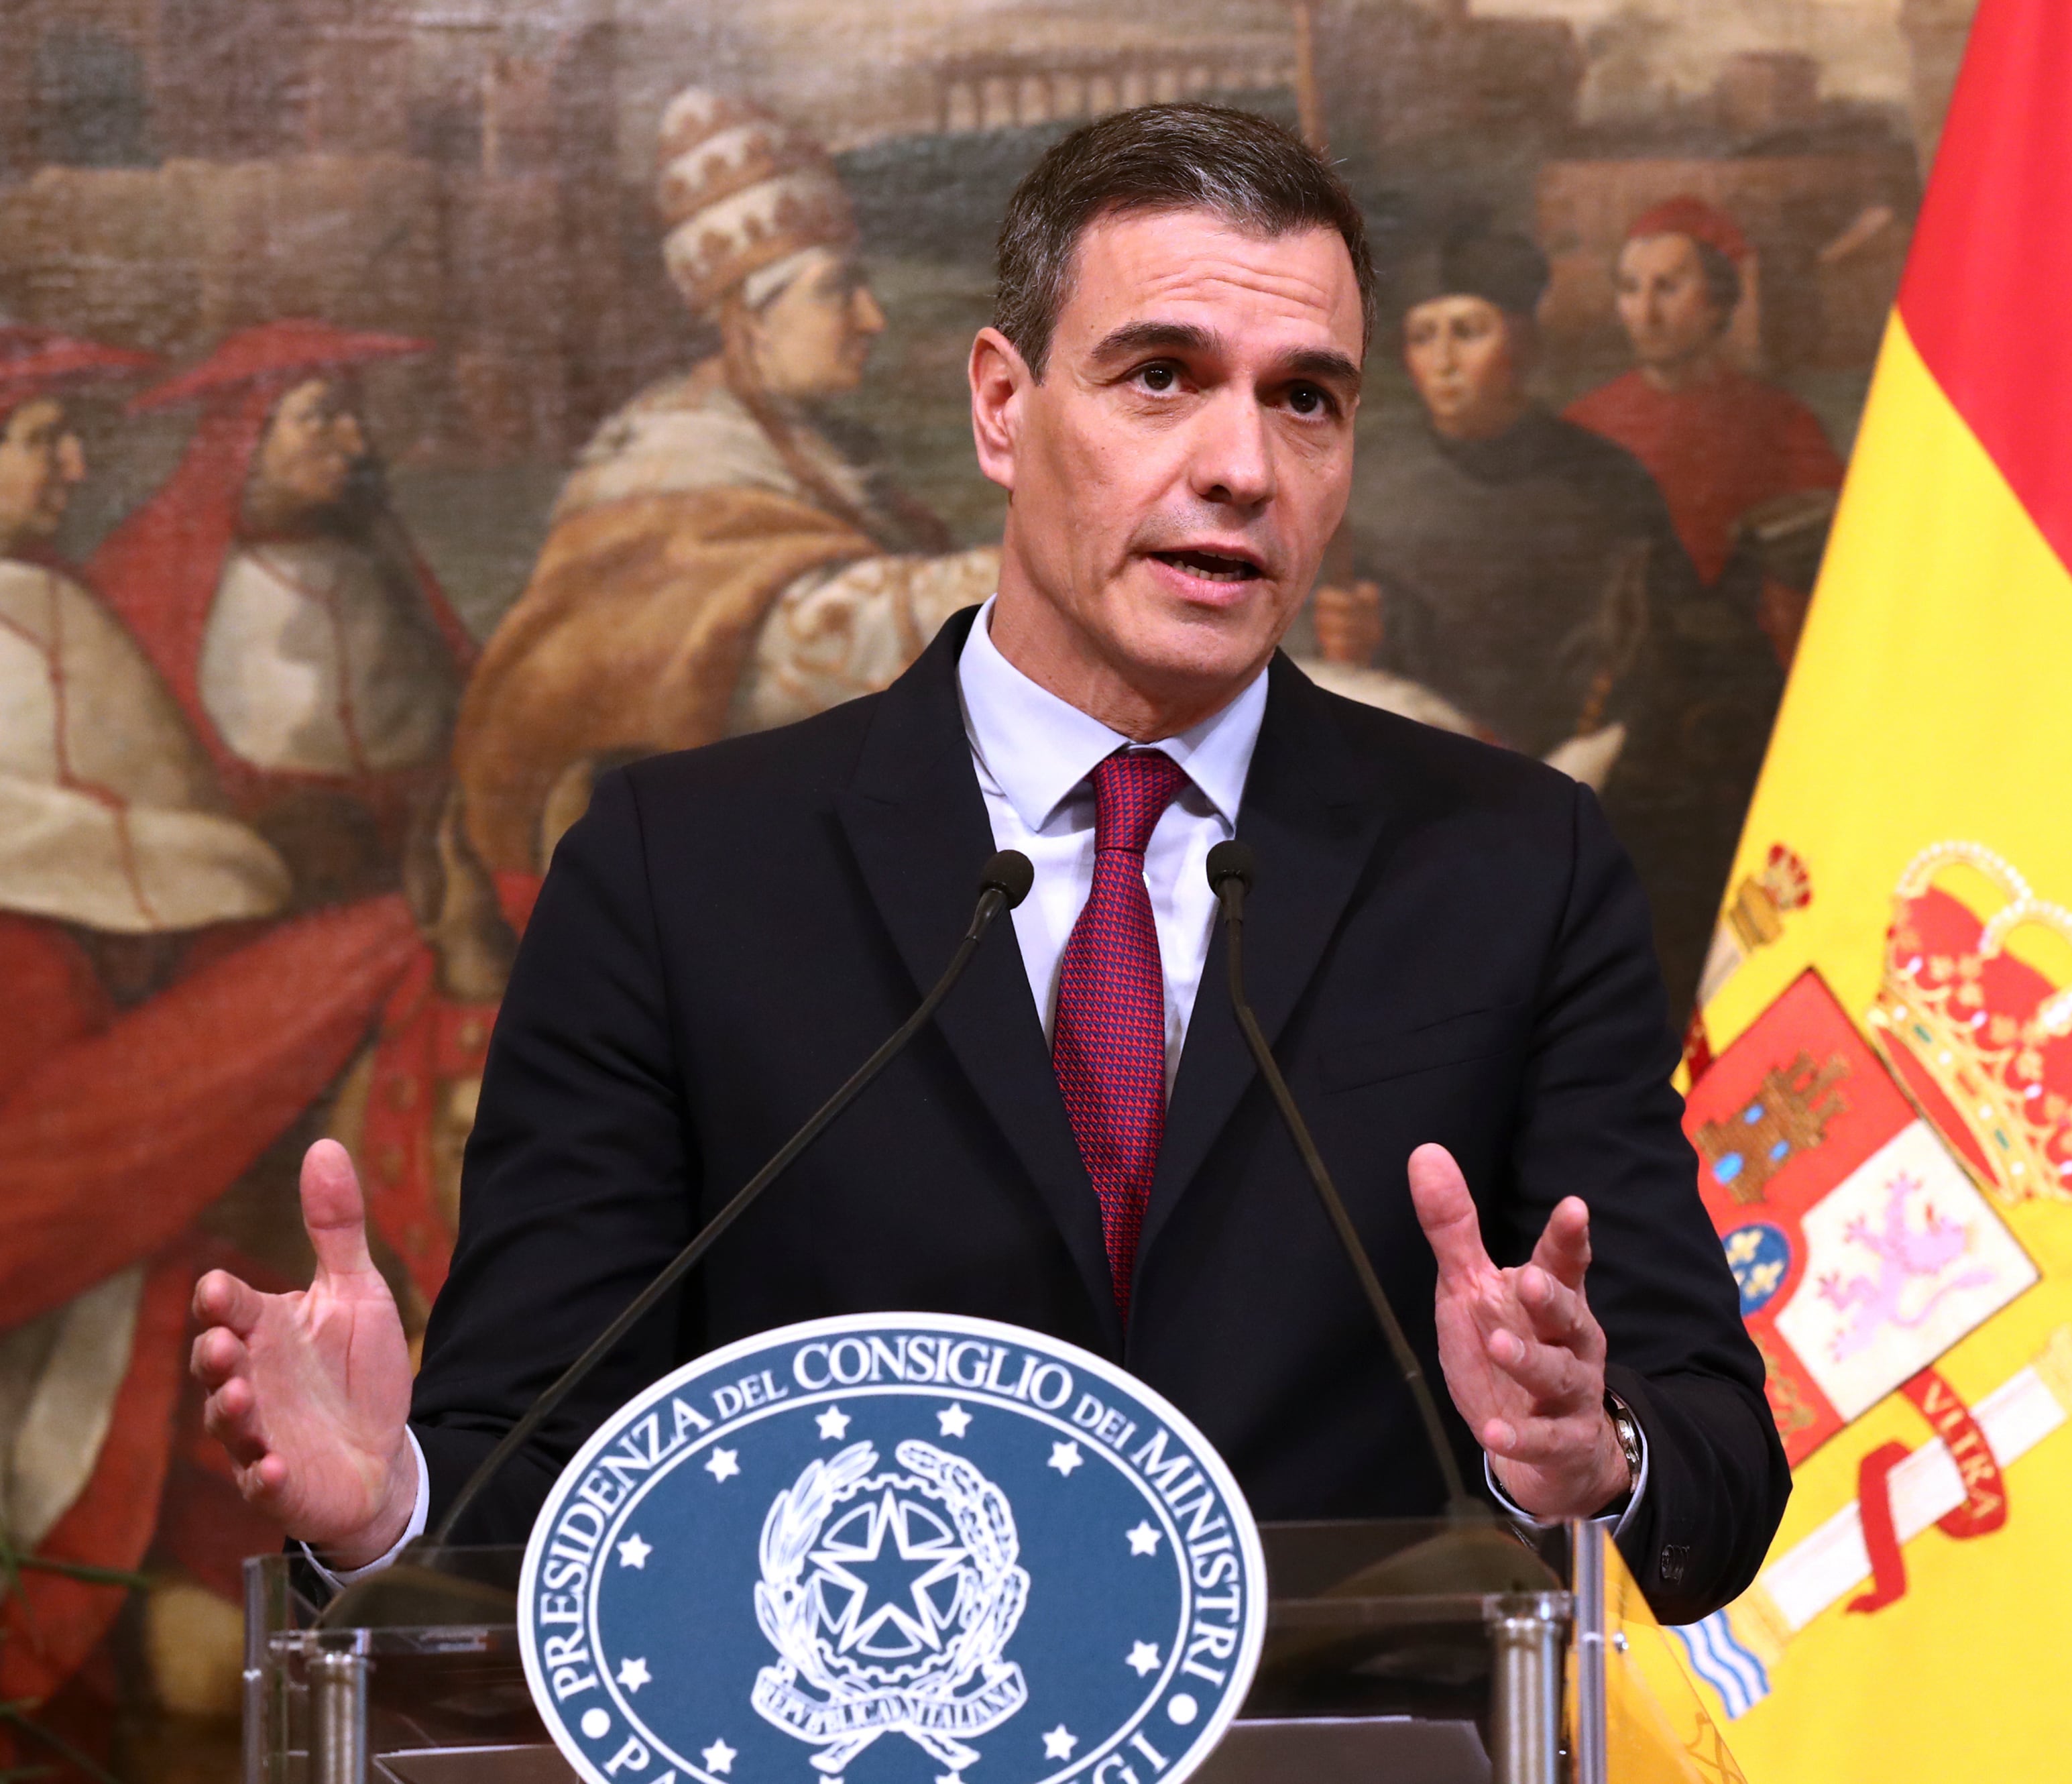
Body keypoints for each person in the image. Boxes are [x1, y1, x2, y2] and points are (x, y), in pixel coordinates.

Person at [188, 103, 1787, 1623]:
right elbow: (535, 1463)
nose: (1242, 464)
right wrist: (382, 1501)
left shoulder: (1509, 864)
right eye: (1161, 376)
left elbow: (1714, 1458)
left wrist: (1592, 1454)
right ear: (1001, 407)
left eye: (1305, 397)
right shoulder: (680, 874)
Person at [0, 327, 441, 1738]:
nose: (72, 464)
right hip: (78, 1008)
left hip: (182, 966)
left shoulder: (66, 604)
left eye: (76, 435)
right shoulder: (115, 596)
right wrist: (242, 872)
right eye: (41, 437)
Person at [451, 87, 998, 877]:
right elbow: (786, 655)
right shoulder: (670, 457)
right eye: (837, 289)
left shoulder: (817, 446)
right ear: (750, 315)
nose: (872, 318)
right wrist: (1031, 577)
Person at [1564, 198, 1847, 1011]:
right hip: (1627, 727)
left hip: (1749, 728)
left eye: (1669, 286)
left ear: (1719, 300)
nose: (1643, 309)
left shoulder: (1782, 425)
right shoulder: (1590, 429)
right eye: (1629, 286)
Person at [87, 321, 473, 911]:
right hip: (274, 862)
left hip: (421, 849)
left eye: (353, 417)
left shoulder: (377, 559)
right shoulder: (154, 568)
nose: (354, 443)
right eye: (319, 417)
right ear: (246, 437)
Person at [1310, 230, 1692, 785]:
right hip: (1403, 764)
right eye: (1423, 337)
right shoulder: (1359, 473)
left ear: (1526, 345)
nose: (1443, 362)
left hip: (1574, 769)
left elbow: (1653, 650)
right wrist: (1343, 637)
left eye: (1468, 332)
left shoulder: (1607, 481)